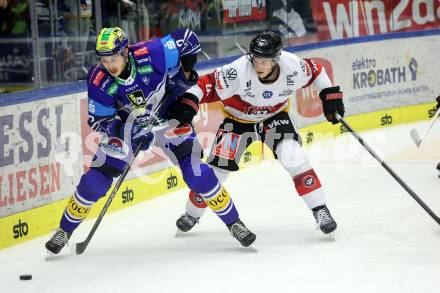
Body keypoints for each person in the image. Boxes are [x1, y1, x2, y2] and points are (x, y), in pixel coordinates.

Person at [45, 27, 257, 254]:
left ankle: (235, 223)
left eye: (114, 58)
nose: (110, 65)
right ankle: (64, 231)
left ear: (126, 51)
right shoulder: (99, 79)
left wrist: (184, 75)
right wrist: (131, 128)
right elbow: (100, 122)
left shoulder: (151, 53)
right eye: (104, 60)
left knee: (197, 173)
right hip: (128, 129)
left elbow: (187, 39)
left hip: (166, 118)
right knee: (94, 181)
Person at [175, 31, 344, 236]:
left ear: (276, 59)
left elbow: (317, 71)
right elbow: (204, 85)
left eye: (264, 61)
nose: (258, 65)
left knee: (294, 157)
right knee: (215, 173)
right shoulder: (237, 70)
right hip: (237, 122)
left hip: (274, 117)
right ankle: (192, 213)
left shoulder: (293, 67)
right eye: (255, 59)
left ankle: (321, 210)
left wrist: (330, 95)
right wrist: (189, 102)